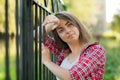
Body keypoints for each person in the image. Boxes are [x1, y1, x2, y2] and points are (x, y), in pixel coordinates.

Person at [41, 11, 106, 80]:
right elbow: (36, 36)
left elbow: (72, 77)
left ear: (77, 25)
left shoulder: (96, 50)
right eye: (61, 30)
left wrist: (47, 62)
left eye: (70, 24)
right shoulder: (63, 52)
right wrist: (49, 25)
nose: (68, 31)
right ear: (59, 36)